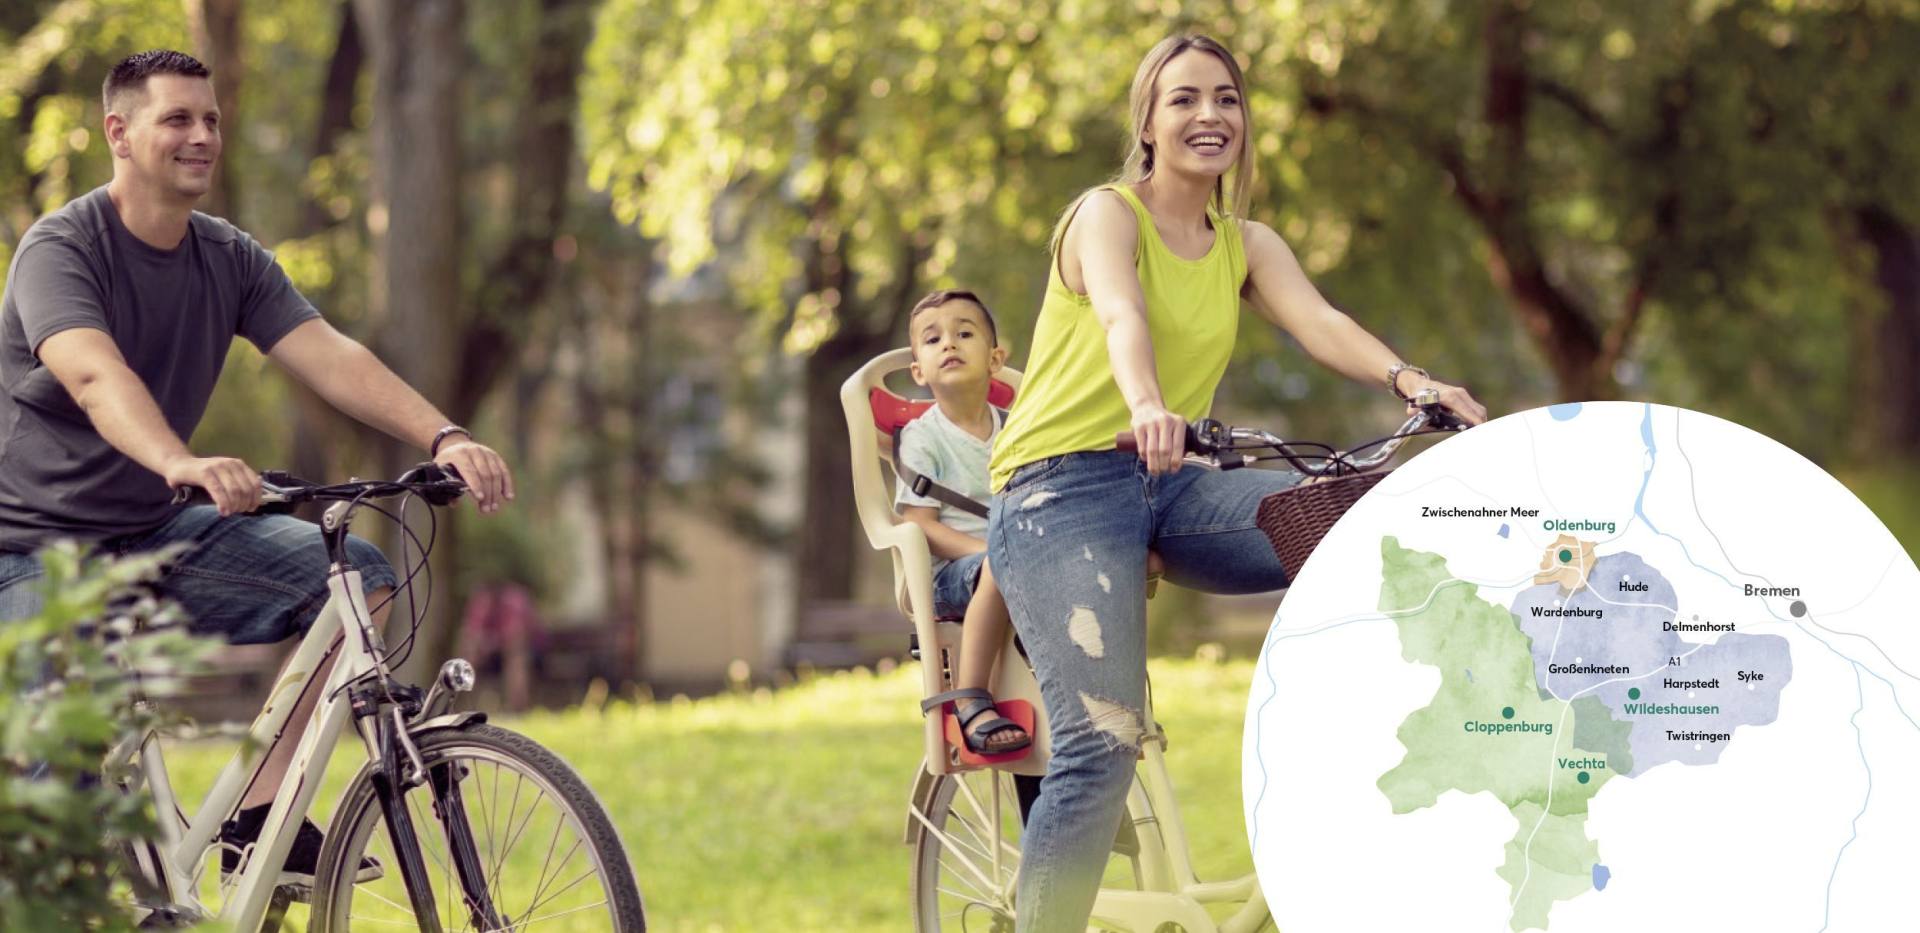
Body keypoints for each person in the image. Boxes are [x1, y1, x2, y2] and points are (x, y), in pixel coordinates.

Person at [983, 34, 1489, 930]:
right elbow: (1120, 311)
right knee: (1101, 744)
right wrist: (1145, 400)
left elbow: (1321, 322)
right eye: (1183, 99)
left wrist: (1415, 383)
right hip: (1057, 488)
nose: (1208, 115)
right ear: (1147, 120)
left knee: (1358, 532)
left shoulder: (1244, 242)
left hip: (1170, 483)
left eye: (1226, 98)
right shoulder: (1107, 215)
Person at [0, 50, 514, 886]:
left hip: (155, 528)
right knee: (55, 799)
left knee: (358, 578)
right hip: (33, 547)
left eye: (210, 120)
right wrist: (181, 460)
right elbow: (95, 377)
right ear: (119, 134)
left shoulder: (227, 256)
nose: (202, 136)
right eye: (178, 119)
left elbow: (332, 355)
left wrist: (444, 435)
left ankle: (261, 814)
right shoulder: (60, 249)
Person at [893, 289, 1030, 754]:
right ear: (918, 371)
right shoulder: (923, 438)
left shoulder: (1019, 429)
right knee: (1001, 566)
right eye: (933, 340)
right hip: (954, 575)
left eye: (964, 333)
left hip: (1020, 560)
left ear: (995, 359)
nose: (949, 344)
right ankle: (972, 697)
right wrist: (994, 554)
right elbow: (921, 524)